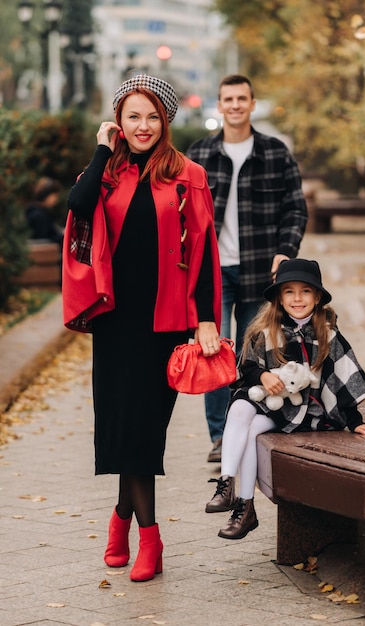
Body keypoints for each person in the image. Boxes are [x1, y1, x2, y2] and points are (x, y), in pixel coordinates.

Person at [61, 74, 222, 582]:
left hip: (167, 324)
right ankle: (150, 540)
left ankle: (118, 519)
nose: (143, 125)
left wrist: (207, 317)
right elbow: (78, 207)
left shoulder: (188, 176)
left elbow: (203, 253)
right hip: (116, 323)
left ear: (166, 120)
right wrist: (99, 150)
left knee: (146, 432)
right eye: (133, 116)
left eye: (152, 116)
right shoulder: (105, 173)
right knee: (132, 431)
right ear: (119, 121)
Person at [205, 258, 365, 540]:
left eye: (305, 291)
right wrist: (262, 376)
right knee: (239, 410)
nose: (297, 298)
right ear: (279, 298)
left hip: (305, 412)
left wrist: (355, 421)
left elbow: (343, 378)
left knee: (248, 428)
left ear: (317, 296)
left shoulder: (328, 335)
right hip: (270, 408)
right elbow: (244, 368)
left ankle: (244, 506)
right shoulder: (265, 331)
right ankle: (231, 491)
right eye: (289, 291)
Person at [187, 74, 308, 463]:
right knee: (213, 353)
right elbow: (180, 213)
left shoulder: (275, 152)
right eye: (228, 99)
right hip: (212, 272)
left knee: (251, 355)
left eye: (242, 98)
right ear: (219, 105)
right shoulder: (199, 154)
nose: (236, 105)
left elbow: (295, 207)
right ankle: (222, 437)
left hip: (261, 272)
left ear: (252, 104)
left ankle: (251, 424)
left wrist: (285, 251)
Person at [25, 177, 64, 245]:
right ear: (46, 195)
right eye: (55, 195)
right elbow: (44, 241)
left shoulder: (40, 212)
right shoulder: (39, 216)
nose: (56, 199)